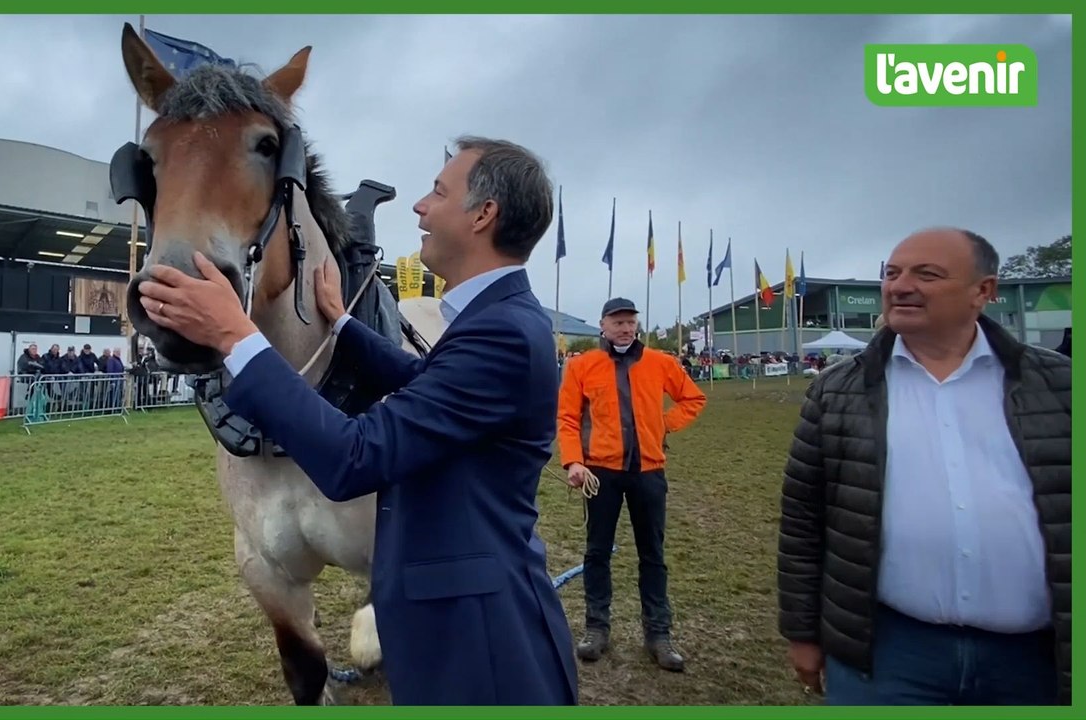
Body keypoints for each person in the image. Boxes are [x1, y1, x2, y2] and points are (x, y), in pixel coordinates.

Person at [136, 137, 578, 705]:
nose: (420, 206)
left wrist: (235, 337)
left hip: (480, 652)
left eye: (438, 192)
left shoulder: (502, 335)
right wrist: (343, 326)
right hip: (465, 628)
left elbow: (355, 457)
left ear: (483, 215)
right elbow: (428, 389)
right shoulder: (500, 320)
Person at [777, 228, 1071, 706]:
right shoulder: (837, 391)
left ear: (985, 291)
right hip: (889, 654)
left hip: (1036, 659)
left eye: (926, 274)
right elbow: (802, 524)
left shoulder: (1060, 386)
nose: (900, 285)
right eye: (891, 274)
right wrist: (802, 632)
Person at [556, 298, 707, 670]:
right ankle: (596, 629)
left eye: (630, 322)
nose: (624, 328)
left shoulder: (662, 363)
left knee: (652, 555)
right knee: (596, 552)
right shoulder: (581, 366)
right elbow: (568, 417)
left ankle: (659, 634)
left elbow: (693, 397)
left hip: (648, 472)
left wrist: (664, 425)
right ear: (603, 326)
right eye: (617, 322)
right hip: (599, 473)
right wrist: (574, 460)